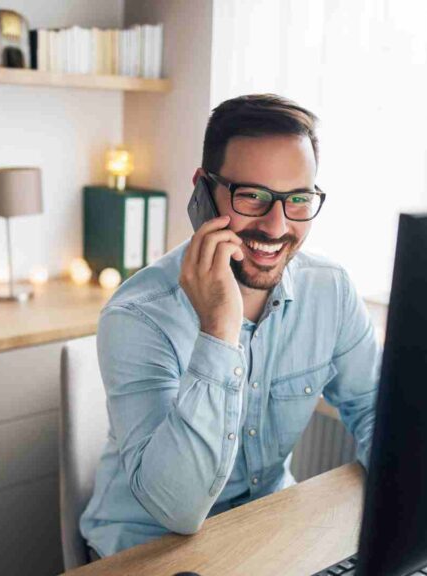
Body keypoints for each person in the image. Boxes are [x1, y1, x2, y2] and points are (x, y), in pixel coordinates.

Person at [79, 94, 381, 559]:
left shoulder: (331, 290)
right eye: (253, 196)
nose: (277, 225)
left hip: (268, 530)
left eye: (298, 199)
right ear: (202, 190)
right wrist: (218, 329)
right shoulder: (138, 315)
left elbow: (376, 407)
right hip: (146, 549)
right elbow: (177, 511)